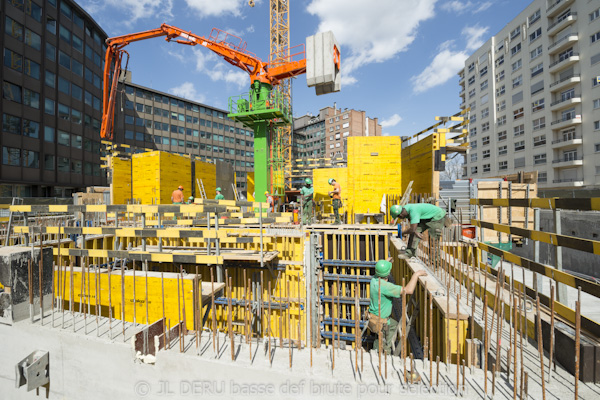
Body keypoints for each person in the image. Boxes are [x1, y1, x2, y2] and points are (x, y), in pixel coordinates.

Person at [368, 259, 427, 354]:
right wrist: (416, 275)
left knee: (382, 334)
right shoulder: (386, 287)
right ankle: (385, 351)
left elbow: (380, 270)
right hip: (382, 321)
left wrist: (386, 263)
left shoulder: (374, 280)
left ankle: (376, 350)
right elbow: (408, 290)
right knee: (386, 336)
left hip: (373, 318)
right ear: (387, 274)